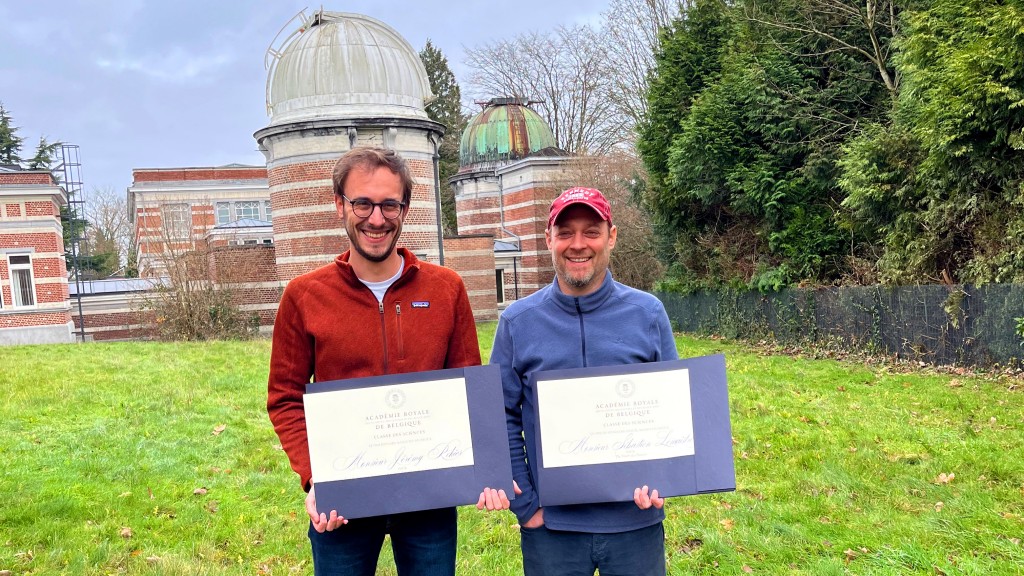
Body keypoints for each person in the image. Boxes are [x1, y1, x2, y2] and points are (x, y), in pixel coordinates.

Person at [267, 146, 509, 576]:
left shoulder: (446, 289)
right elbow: (284, 397)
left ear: (405, 208)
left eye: (388, 204)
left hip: (429, 499)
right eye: (362, 202)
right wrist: (315, 476)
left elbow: (470, 387)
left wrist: (488, 468)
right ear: (339, 203)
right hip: (343, 500)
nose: (376, 219)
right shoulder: (304, 296)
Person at [490, 186, 679, 576]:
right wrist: (528, 508)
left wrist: (663, 479)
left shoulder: (648, 313)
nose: (578, 245)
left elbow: (674, 410)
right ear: (549, 240)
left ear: (612, 236)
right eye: (565, 233)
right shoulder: (517, 322)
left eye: (591, 231)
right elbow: (499, 416)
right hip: (551, 531)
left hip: (635, 523)